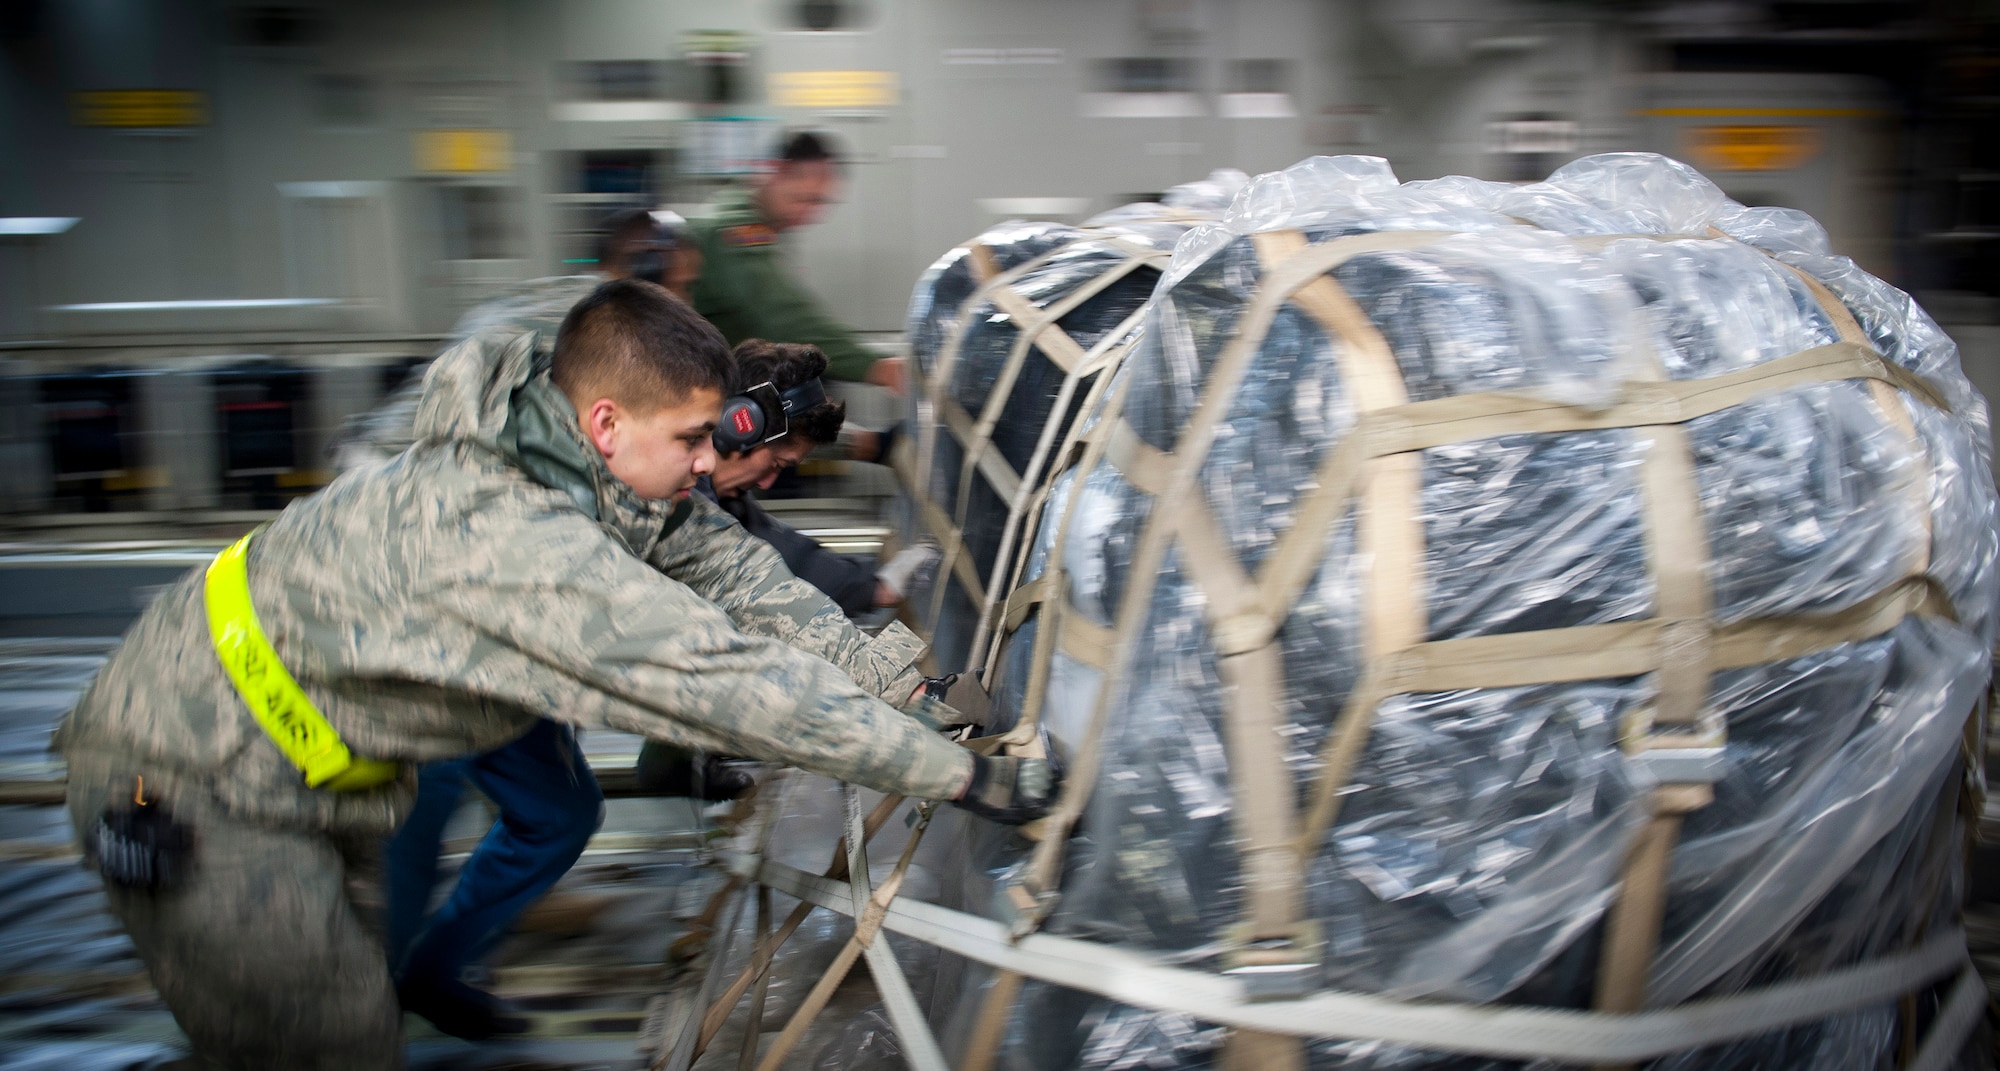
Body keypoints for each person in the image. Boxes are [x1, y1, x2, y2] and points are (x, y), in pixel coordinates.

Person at [54, 279, 1055, 1070]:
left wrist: (909, 695)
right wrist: (962, 781)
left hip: (320, 772)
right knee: (330, 1046)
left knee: (337, 1022)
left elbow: (751, 585)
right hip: (191, 769)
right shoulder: (512, 539)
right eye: (694, 441)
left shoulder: (605, 476)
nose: (714, 465)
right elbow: (722, 678)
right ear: (609, 423)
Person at [334, 208, 703, 1039]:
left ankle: (431, 969)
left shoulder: (564, 326)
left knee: (559, 807)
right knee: (420, 800)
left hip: (479, 603)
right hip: (419, 595)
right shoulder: (561, 351)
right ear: (646, 275)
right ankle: (367, 1014)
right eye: (682, 291)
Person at [687, 130, 907, 394]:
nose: (811, 214)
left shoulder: (753, 222)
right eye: (804, 199)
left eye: (820, 202)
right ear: (774, 174)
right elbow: (782, 314)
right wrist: (876, 367)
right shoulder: (733, 229)